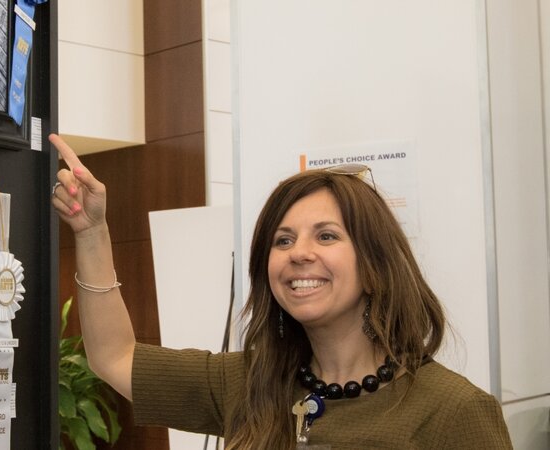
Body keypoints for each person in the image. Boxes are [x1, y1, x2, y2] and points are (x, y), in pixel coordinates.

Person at [49, 133, 513, 449]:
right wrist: (91, 233)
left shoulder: (455, 411)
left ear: (374, 267)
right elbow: (114, 357)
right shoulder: (249, 383)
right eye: (283, 240)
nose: (299, 253)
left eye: (326, 236)